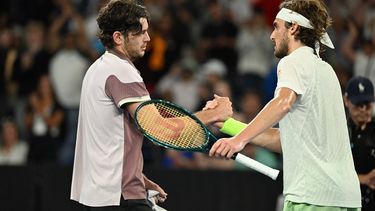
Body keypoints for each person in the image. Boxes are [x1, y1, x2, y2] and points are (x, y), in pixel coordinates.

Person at [70, 1, 233, 210]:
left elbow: (106, 141)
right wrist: (213, 114)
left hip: (100, 194)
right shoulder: (121, 71)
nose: (148, 38)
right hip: (118, 197)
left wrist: (137, 176)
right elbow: (159, 129)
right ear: (118, 37)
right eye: (140, 33)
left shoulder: (97, 70)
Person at [207, 0, 361, 210]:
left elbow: (283, 103)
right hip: (346, 199)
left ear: (294, 28)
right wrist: (229, 125)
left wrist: (238, 141)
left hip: (310, 198)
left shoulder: (293, 61)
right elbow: (286, 140)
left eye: (276, 26)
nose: (272, 35)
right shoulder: (327, 72)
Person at [344, 76, 375, 211]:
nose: (363, 109)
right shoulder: (339, 132)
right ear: (346, 101)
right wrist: (361, 178)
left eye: (367, 104)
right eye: (358, 105)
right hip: (347, 200)